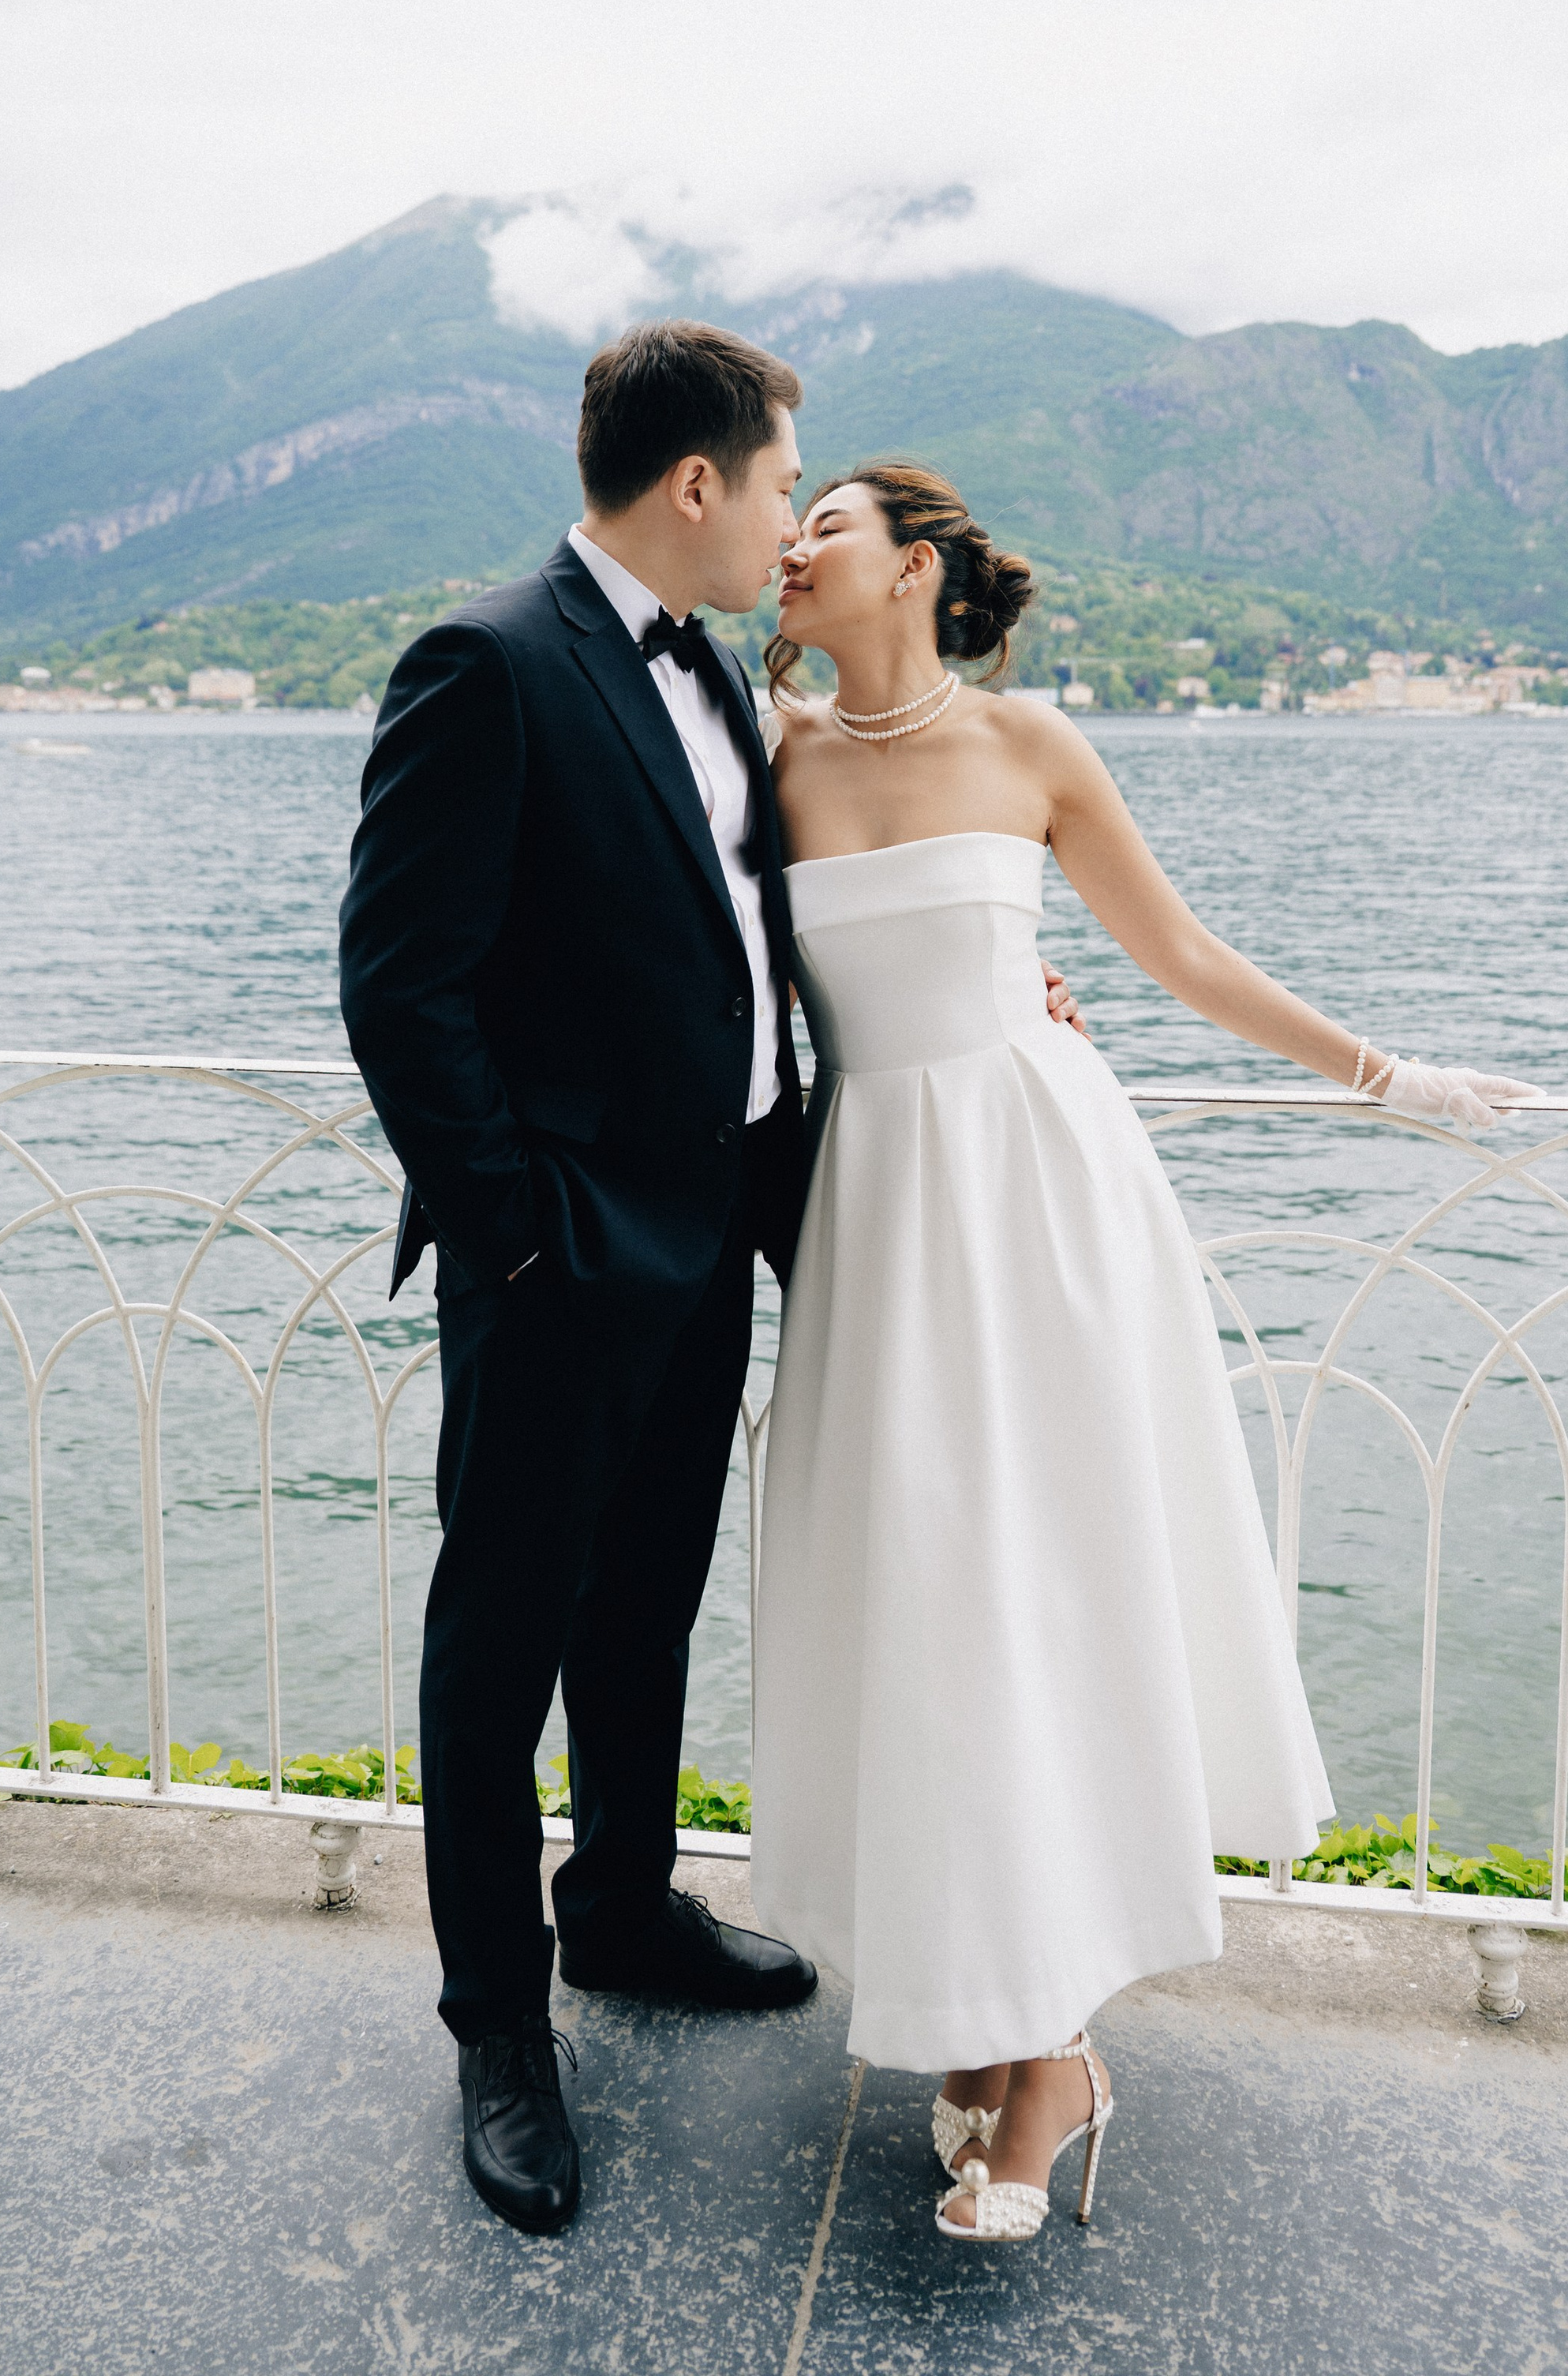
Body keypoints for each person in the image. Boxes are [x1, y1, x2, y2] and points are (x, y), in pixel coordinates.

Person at [337, 334, 1082, 2236]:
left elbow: (776, 949)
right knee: (497, 1644)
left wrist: (1005, 998)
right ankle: (499, 2029)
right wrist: (509, 1225)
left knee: (649, 1600)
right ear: (696, 486)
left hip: (722, 1233)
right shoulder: (490, 662)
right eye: (776, 485)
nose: (784, 519)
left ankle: (624, 1910)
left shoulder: (729, 692)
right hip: (560, 1255)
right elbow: (399, 983)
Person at [749, 459, 1536, 2244]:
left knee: (1041, 1594)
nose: (791, 550)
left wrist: (1383, 1077)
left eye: (827, 530)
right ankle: (985, 2006)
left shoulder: (1031, 746)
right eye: (783, 529)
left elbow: (1174, 952)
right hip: (873, 1217)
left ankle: (1050, 2056)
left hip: (1037, 1204)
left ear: (920, 567)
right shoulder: (769, 756)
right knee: (926, 1606)